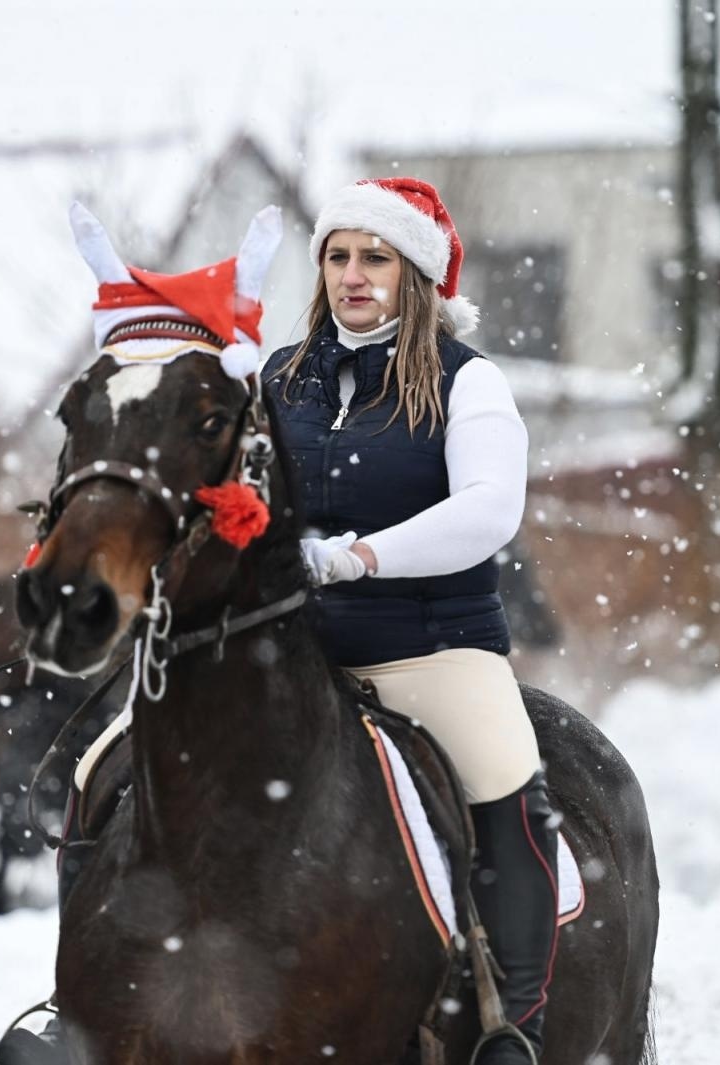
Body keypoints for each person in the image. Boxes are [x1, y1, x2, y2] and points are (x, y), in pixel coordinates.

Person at [268, 177, 554, 1065]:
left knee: (513, 791)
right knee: (107, 761)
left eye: (376, 258)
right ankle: (75, 1005)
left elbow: (487, 510)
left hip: (431, 652)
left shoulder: (473, 382)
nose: (354, 276)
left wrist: (360, 556)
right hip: (292, 660)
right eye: (338, 256)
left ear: (415, 275)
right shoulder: (276, 379)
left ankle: (513, 1024)